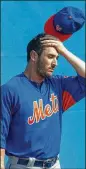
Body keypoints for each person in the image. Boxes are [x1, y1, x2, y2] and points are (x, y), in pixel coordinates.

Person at [0, 33, 85, 169]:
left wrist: (64, 51)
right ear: (34, 56)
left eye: (57, 58)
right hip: (23, 166)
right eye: (50, 56)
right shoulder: (10, 90)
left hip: (54, 164)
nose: (55, 63)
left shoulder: (58, 84)